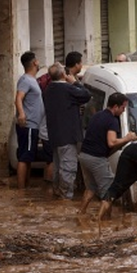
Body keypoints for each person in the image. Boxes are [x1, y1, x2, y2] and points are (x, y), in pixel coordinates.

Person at [78, 92, 137, 214]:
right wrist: (127, 138)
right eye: (123, 108)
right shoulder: (112, 120)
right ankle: (103, 220)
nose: (123, 111)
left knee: (90, 188)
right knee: (109, 191)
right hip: (96, 159)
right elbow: (111, 142)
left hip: (84, 156)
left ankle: (81, 213)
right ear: (115, 106)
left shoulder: (97, 115)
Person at [43, 60, 91, 200]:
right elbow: (86, 95)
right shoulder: (67, 89)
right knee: (68, 167)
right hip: (68, 135)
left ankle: (58, 191)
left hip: (54, 135)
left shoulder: (49, 89)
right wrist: (74, 82)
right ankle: (66, 197)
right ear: (64, 74)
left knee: (58, 165)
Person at [14, 51, 44, 189]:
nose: (39, 61)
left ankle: (26, 187)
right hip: (28, 124)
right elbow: (19, 98)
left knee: (28, 157)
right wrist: (21, 114)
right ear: (34, 63)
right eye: (37, 59)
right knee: (25, 157)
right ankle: (21, 190)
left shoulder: (32, 80)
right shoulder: (26, 80)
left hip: (33, 125)